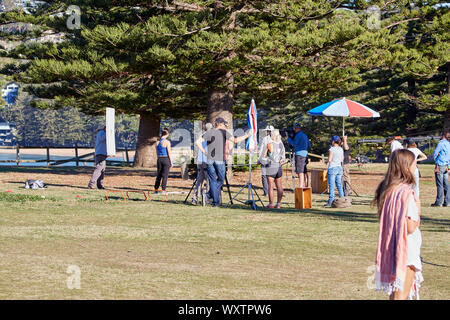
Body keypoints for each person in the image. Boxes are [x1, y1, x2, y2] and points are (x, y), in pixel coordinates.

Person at [373, 149, 423, 300]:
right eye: (414, 163)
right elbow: (409, 226)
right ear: (406, 166)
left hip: (392, 248)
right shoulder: (406, 193)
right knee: (400, 296)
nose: (416, 167)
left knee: (395, 295)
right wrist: (419, 212)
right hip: (405, 250)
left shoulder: (388, 190)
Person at [196, 117, 252, 207]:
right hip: (219, 159)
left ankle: (214, 202)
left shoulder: (209, 132)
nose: (226, 126)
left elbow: (198, 142)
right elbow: (235, 140)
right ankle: (208, 196)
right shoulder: (224, 132)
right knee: (221, 180)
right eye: (224, 124)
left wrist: (204, 152)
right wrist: (247, 135)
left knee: (213, 181)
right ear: (220, 124)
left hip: (209, 159)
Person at [262, 129, 286, 209]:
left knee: (271, 186)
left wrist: (265, 151)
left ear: (272, 135)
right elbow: (283, 158)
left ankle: (271, 204)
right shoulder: (281, 144)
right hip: (278, 166)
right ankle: (278, 204)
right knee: (279, 186)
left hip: (271, 166)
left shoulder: (270, 144)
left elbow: (264, 156)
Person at [191, 123, 213, 205]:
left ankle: (195, 198)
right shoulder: (208, 135)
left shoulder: (202, 135)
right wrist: (204, 151)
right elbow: (197, 142)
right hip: (206, 161)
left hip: (200, 162)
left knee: (199, 181)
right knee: (209, 181)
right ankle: (207, 198)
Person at [287, 123, 311, 188]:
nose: (294, 130)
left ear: (296, 128)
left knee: (300, 171)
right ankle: (306, 186)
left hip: (299, 155)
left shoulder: (298, 135)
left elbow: (294, 144)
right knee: (304, 170)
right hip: (305, 154)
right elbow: (309, 145)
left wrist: (288, 139)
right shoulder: (305, 135)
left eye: (294, 128)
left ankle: (301, 187)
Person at [431, 130, 450, 207]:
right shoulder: (448, 144)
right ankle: (447, 202)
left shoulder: (441, 143)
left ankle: (438, 202)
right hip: (447, 165)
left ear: (443, 136)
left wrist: (436, 160)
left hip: (440, 165)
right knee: (446, 184)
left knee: (439, 184)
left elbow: (435, 153)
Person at [325, 135, 345, 207]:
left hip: (332, 168)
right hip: (339, 168)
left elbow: (330, 159)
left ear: (333, 141)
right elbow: (342, 159)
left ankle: (330, 201)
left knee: (331, 185)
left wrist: (326, 161)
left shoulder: (332, 149)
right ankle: (342, 199)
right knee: (339, 184)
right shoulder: (341, 149)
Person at [154, 128, 172, 192]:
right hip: (165, 159)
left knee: (159, 175)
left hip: (159, 159)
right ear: (167, 134)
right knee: (165, 175)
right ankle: (163, 189)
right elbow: (169, 152)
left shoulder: (157, 142)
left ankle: (156, 189)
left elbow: (156, 152)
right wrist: (171, 162)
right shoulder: (167, 142)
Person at [258, 125, 274, 196]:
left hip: (266, 160)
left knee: (265, 176)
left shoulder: (265, 139)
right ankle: (268, 191)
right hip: (270, 160)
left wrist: (259, 159)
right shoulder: (276, 139)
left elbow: (261, 150)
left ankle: (267, 192)